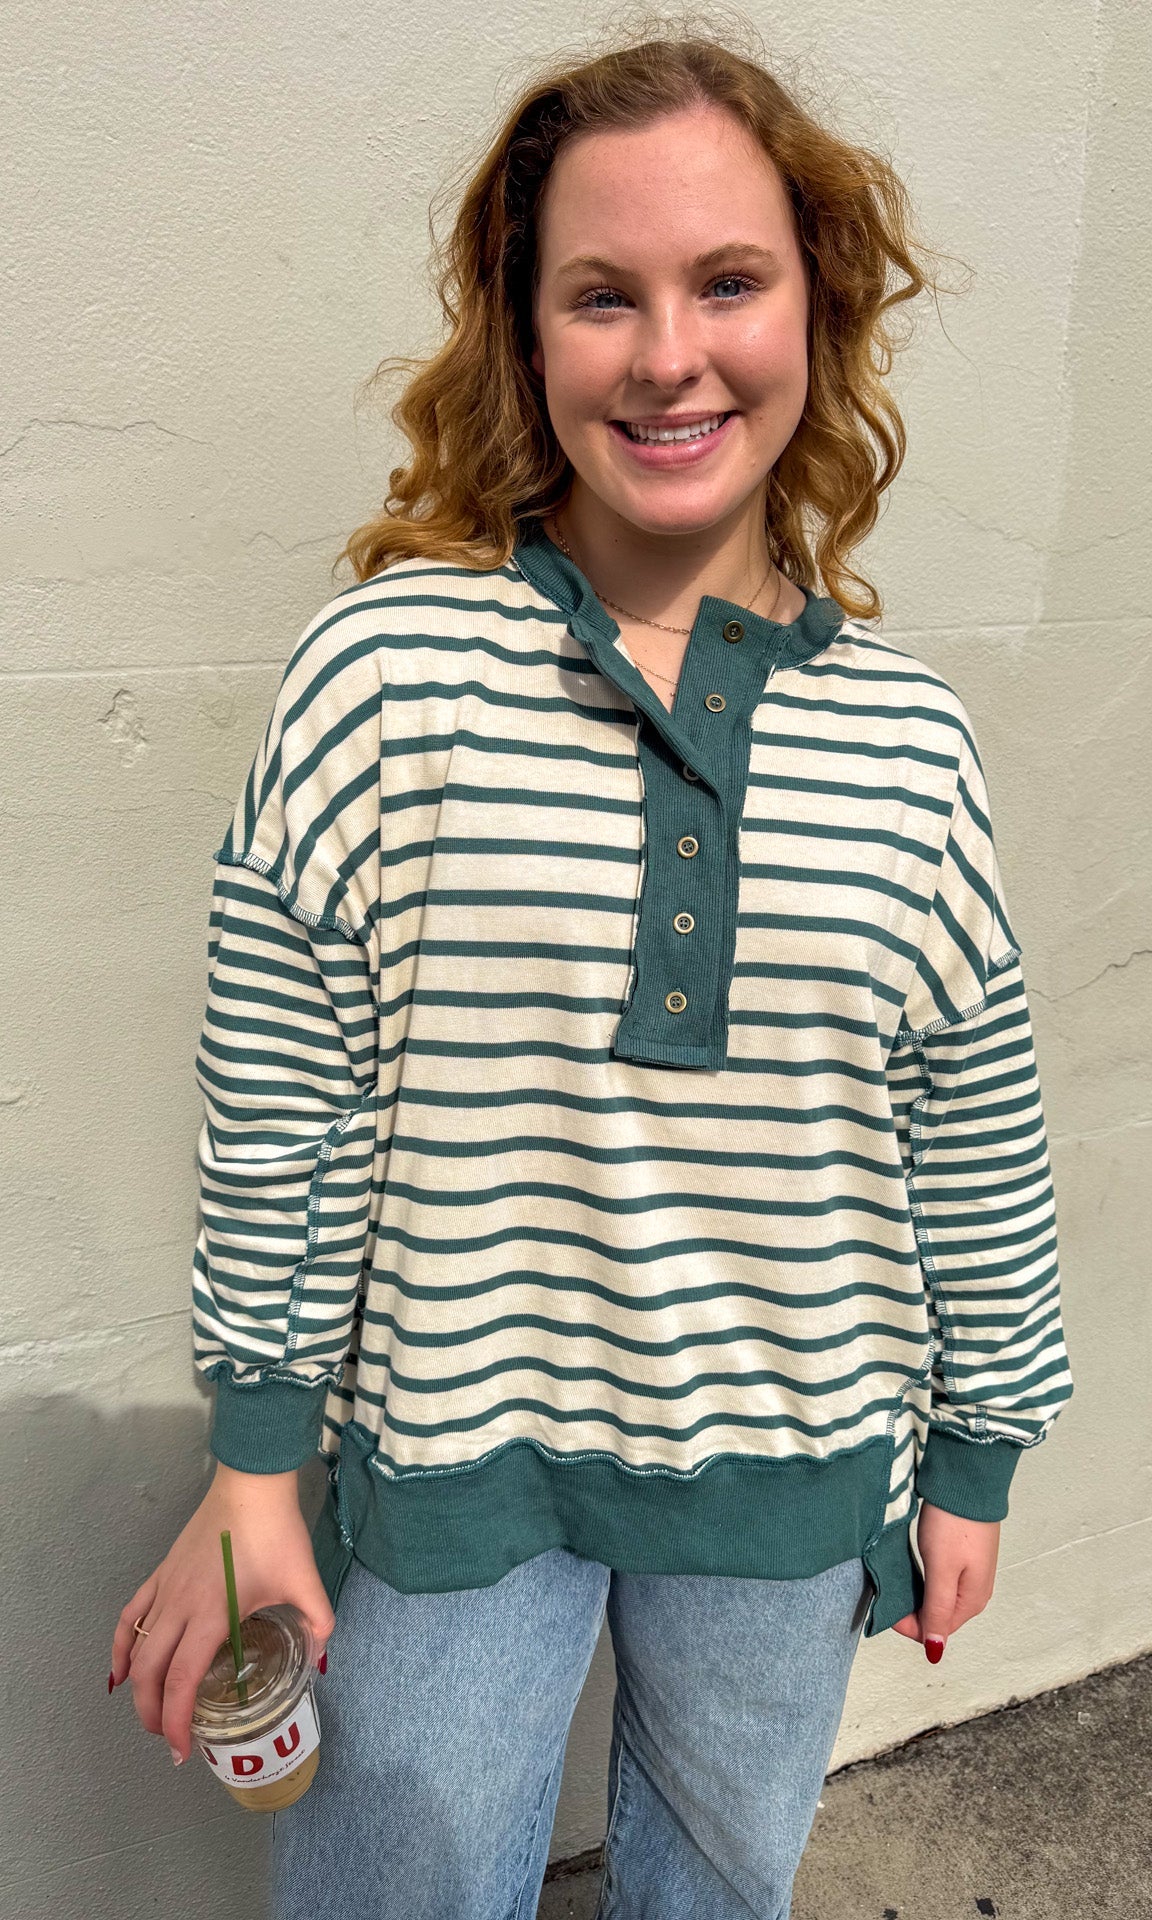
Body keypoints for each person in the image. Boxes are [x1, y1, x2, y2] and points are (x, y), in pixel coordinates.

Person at [108, 25, 1074, 1920]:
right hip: (462, 1454)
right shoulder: (383, 680)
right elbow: (281, 1100)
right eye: (599, 294)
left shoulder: (912, 742)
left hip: (796, 1466)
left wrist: (978, 1449)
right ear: (524, 330)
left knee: (721, 1881)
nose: (667, 352)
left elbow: (974, 1114)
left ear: (821, 302)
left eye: (728, 280)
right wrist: (254, 1461)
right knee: (402, 1873)